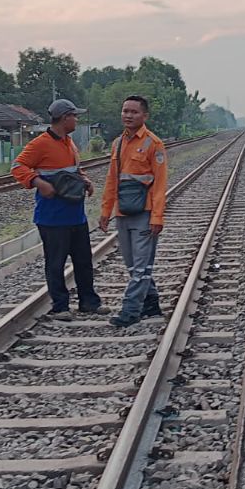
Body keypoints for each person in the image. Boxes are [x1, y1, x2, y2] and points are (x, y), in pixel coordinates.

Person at [11, 99, 106, 320]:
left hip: (76, 215)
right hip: (52, 217)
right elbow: (17, 167)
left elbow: (73, 170)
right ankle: (60, 306)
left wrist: (85, 180)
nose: (77, 120)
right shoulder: (40, 144)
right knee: (56, 263)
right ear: (65, 118)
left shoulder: (69, 143)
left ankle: (88, 302)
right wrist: (37, 182)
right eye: (75, 116)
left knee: (83, 260)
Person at [99, 95, 168, 328]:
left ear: (144, 116)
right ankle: (151, 304)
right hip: (123, 213)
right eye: (125, 111)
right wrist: (105, 211)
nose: (128, 115)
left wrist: (157, 217)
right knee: (132, 265)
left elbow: (160, 183)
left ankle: (130, 311)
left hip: (144, 213)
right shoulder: (117, 143)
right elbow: (112, 180)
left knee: (141, 267)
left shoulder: (153, 144)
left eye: (134, 112)